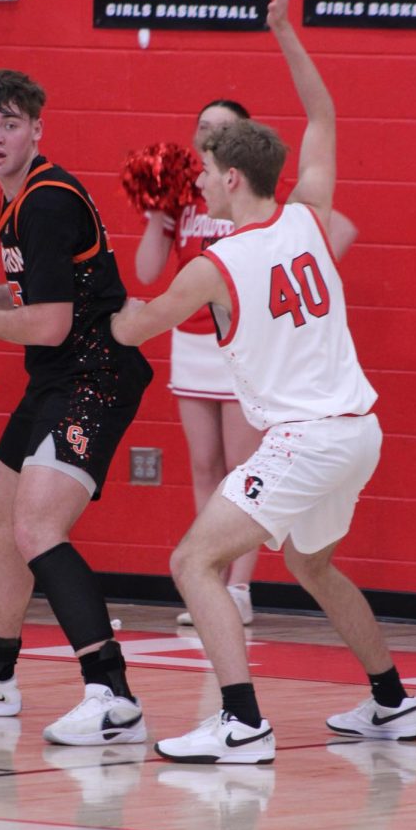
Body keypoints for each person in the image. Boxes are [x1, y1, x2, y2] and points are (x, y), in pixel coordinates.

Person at [111, 0, 416, 763]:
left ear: (233, 179)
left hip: (307, 438)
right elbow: (321, 113)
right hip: (358, 430)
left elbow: (136, 325)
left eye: (208, 170)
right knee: (313, 565)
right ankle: (393, 703)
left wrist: (82, 302)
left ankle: (241, 721)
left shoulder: (218, 264)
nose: (200, 180)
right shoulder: (309, 215)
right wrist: (283, 27)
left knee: (191, 560)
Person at [0, 69, 154, 746]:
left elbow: (49, 322)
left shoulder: (43, 201)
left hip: (93, 377)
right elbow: (33, 301)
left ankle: (114, 696)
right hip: (58, 377)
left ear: (37, 130)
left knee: (37, 526)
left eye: (10, 124)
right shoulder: (13, 204)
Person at [135, 73, 357, 631]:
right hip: (192, 346)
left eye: (222, 129)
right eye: (202, 127)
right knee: (205, 464)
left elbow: (341, 228)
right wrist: (157, 216)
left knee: (245, 466)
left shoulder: (258, 205)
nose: (209, 135)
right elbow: (144, 272)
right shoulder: (185, 199)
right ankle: (210, 576)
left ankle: (239, 588)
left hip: (248, 351)